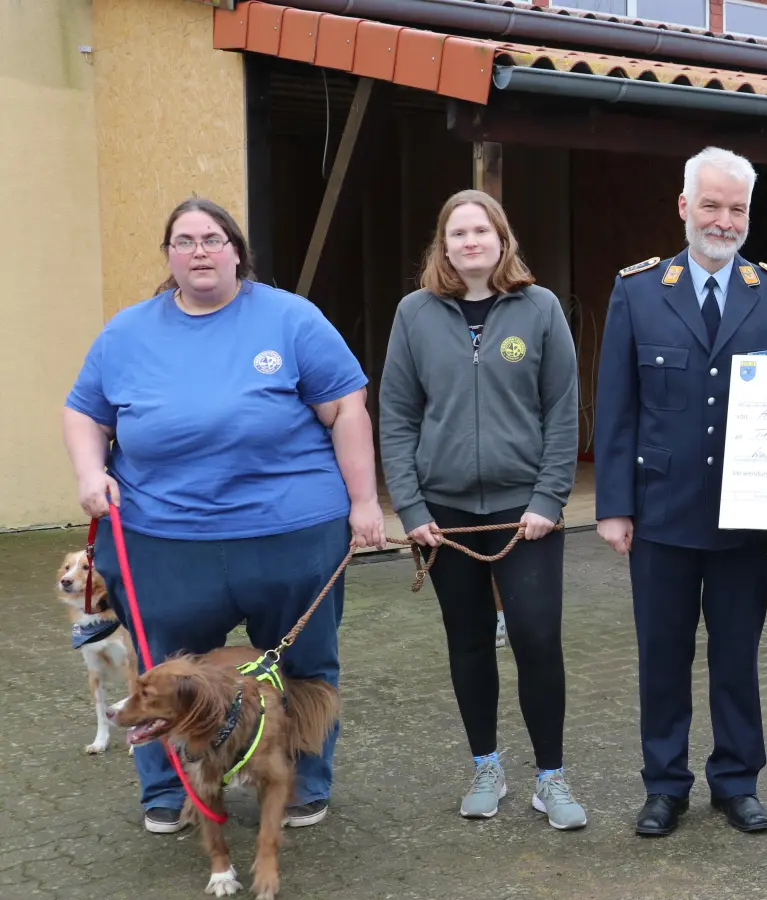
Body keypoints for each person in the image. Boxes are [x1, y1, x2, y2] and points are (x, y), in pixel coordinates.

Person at [62, 197, 382, 834]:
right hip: (165, 538)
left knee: (303, 664)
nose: (199, 251)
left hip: (292, 532)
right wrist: (89, 472)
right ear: (169, 257)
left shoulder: (292, 319)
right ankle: (172, 789)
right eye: (183, 241)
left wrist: (365, 503)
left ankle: (300, 781)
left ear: (237, 250)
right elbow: (84, 413)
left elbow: (347, 408)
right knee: (160, 672)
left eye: (211, 239)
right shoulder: (126, 333)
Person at [593, 146, 767, 837]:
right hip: (661, 513)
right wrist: (614, 506)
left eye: (736, 208)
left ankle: (736, 781)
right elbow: (617, 406)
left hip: (748, 518)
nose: (723, 220)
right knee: (662, 656)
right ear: (685, 207)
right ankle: (665, 786)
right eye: (710, 205)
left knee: (737, 656)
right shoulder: (637, 290)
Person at [379, 189, 585, 828]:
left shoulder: (541, 308)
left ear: (502, 239)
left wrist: (550, 497)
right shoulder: (414, 314)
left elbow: (561, 410)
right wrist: (410, 509)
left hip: (526, 514)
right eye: (457, 234)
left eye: (481, 231)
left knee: (536, 640)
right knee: (467, 640)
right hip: (444, 515)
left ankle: (550, 777)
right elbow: (396, 416)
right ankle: (486, 766)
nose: (469, 242)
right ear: (443, 246)